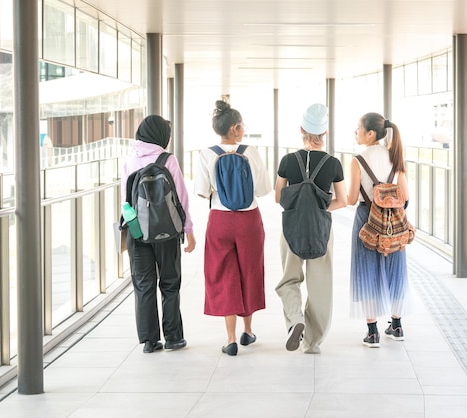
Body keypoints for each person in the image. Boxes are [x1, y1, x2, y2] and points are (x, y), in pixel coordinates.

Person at [194, 100, 272, 356]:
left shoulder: (207, 153)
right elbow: (262, 190)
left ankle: (229, 338)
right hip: (249, 219)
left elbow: (203, 193)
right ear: (236, 128)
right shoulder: (252, 152)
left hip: (220, 220)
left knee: (224, 274)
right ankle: (247, 331)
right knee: (249, 270)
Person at [274, 103, 347, 354]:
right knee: (320, 286)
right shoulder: (333, 164)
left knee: (288, 279)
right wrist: (320, 209)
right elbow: (343, 200)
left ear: (301, 130)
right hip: (320, 231)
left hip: (291, 227)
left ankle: (296, 320)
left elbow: (277, 197)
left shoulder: (287, 161)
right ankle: (312, 342)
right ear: (324, 134)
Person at [121, 115, 196, 354]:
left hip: (137, 232)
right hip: (167, 231)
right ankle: (173, 337)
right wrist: (189, 230)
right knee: (170, 284)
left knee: (144, 285)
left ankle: (149, 341)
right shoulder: (168, 159)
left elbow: (125, 201)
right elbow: (181, 197)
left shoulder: (129, 161)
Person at [346, 112, 411, 348]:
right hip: (393, 220)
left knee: (367, 272)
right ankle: (396, 325)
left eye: (358, 128)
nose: (356, 132)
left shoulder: (358, 160)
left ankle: (372, 332)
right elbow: (405, 197)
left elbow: (352, 199)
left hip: (366, 219)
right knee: (396, 271)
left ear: (370, 133)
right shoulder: (395, 157)